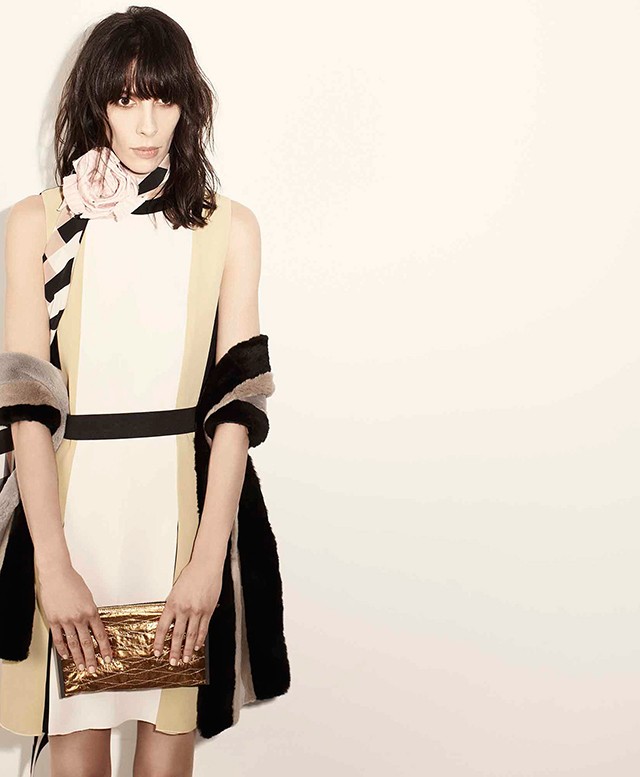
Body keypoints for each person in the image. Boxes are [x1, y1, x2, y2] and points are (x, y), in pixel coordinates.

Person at [0, 6, 290, 776]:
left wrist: (206, 560)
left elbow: (237, 406)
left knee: (167, 753)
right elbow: (27, 403)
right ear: (94, 101)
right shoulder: (38, 223)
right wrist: (53, 563)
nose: (147, 122)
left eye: (163, 98)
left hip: (178, 520)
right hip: (72, 517)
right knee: (76, 748)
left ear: (188, 103)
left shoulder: (228, 227)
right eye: (125, 99)